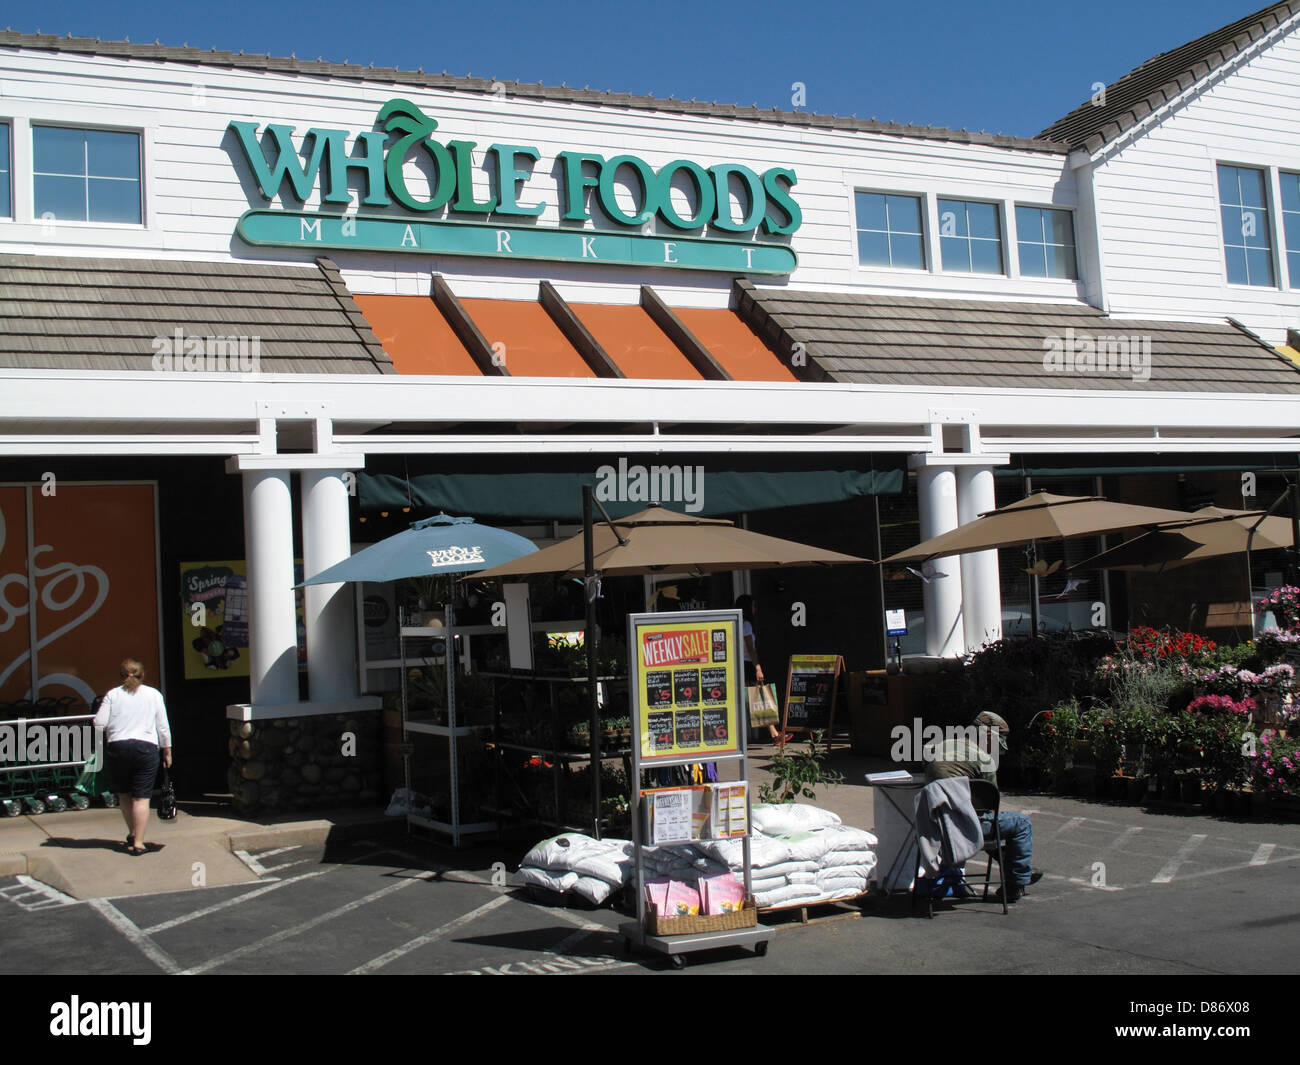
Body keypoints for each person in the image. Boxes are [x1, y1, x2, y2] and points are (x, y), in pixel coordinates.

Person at [922, 710, 1041, 902]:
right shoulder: (984, 760)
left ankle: (1017, 870)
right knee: (1019, 823)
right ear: (987, 736)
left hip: (934, 824)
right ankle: (1016, 882)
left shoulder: (936, 747)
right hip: (964, 826)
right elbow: (990, 807)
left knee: (979, 823)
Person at [94, 658, 173, 856]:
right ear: (143, 675)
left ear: (122, 676)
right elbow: (162, 726)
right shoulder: (153, 694)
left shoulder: (113, 695)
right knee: (142, 797)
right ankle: (138, 842)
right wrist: (167, 750)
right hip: (146, 748)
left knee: (124, 794)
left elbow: (99, 722)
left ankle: (132, 831)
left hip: (118, 747)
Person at [736, 594, 791, 746]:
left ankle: (774, 734)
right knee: (759, 699)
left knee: (750, 700)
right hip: (748, 665)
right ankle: (775, 735)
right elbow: (750, 649)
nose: (755, 609)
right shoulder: (746, 624)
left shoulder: (735, 623)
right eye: (753, 606)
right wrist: (758, 668)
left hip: (739, 664)